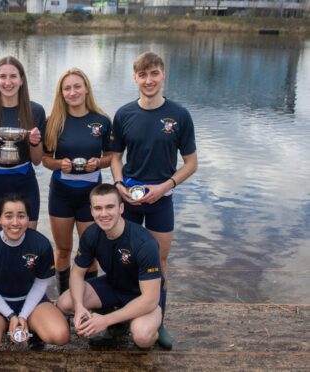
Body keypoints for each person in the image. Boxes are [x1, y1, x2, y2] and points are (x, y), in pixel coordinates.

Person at [109, 52, 198, 349]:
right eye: (143, 75)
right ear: (135, 78)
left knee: (159, 260)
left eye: (154, 74)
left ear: (163, 76)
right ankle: (119, 321)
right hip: (130, 199)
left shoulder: (180, 116)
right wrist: (119, 184)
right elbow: (115, 157)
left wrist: (166, 185)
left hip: (162, 198)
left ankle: (158, 321)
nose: (149, 80)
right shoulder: (123, 114)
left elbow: (190, 163)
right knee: (125, 260)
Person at [56, 184, 163, 349]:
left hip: (141, 295)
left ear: (121, 208)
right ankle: (117, 321)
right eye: (98, 208)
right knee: (65, 302)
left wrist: (105, 321)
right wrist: (79, 308)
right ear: (91, 211)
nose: (103, 214)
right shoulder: (91, 234)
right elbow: (77, 274)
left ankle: (155, 327)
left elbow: (150, 299)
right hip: (114, 285)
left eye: (110, 207)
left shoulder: (144, 243)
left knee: (143, 336)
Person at [0, 194, 70, 358]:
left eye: (21, 216)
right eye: (8, 216)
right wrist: (10, 315)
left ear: (28, 218)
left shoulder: (41, 244)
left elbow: (40, 284)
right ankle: (0, 326)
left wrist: (22, 315)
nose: (15, 222)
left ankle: (31, 325)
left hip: (31, 300)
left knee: (61, 336)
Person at [42, 67, 112, 295]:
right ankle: (64, 302)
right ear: (61, 93)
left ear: (86, 89)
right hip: (62, 194)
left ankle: (88, 302)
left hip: (92, 195)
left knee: (89, 251)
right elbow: (45, 159)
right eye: (67, 88)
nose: (72, 92)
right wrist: (58, 164)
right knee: (63, 250)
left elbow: (112, 157)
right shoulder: (53, 121)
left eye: (77, 86)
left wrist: (99, 163)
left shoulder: (101, 121)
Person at [0, 56, 45, 231]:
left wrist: (35, 142)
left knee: (27, 241)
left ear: (21, 80)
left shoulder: (36, 111)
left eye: (13, 76)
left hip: (25, 183)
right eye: (2, 76)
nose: (8, 82)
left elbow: (37, 161)